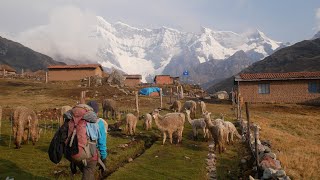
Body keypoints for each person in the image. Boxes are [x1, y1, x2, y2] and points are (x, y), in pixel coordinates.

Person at [86, 101, 107, 173]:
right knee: (89, 172)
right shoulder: (99, 123)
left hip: (76, 152)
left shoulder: (81, 121)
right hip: (91, 153)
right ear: (97, 112)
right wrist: (104, 158)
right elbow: (102, 142)